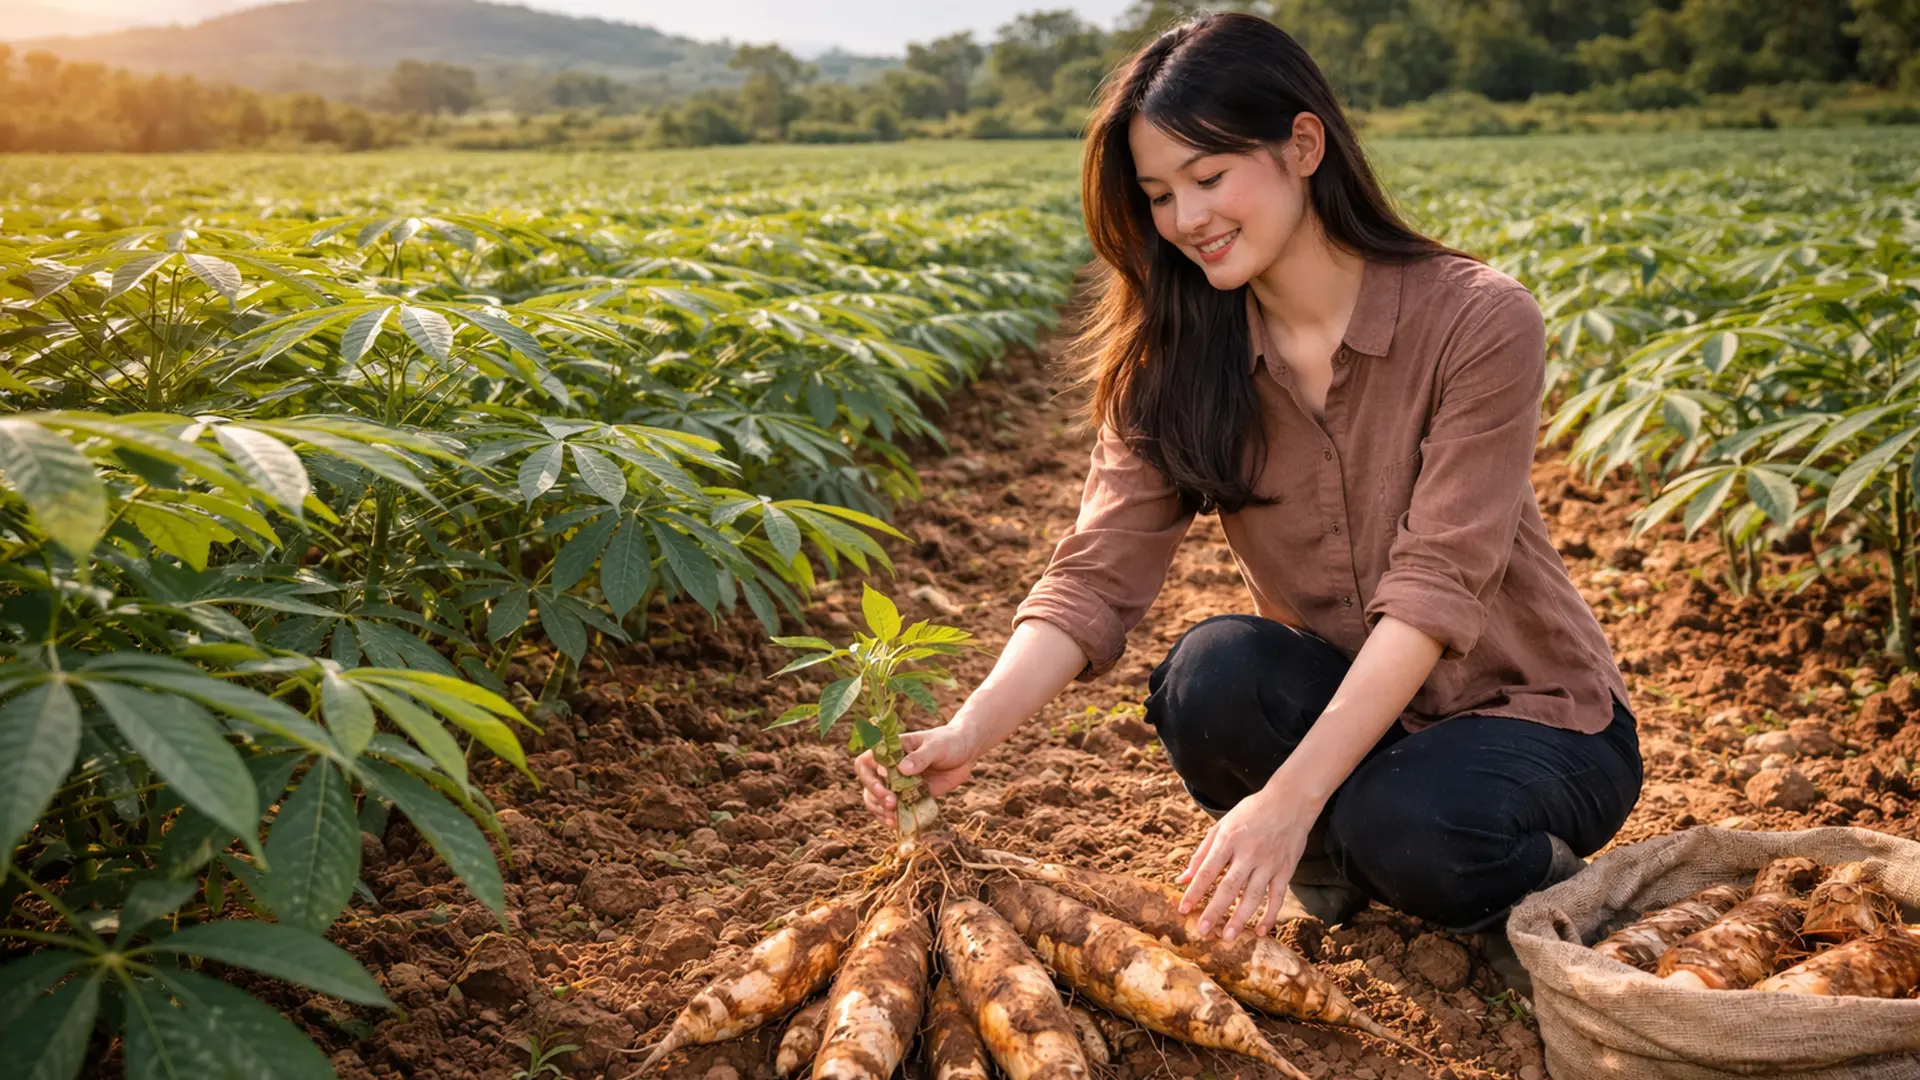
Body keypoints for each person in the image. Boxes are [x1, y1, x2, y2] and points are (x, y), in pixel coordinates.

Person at [852, 12, 1642, 992]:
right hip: (1357, 719)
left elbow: (1437, 591)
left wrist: (1288, 798)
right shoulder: (1181, 361)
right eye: (1159, 195)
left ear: (1302, 146)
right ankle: (1358, 860)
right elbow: (1095, 575)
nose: (1186, 219)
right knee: (1208, 677)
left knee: (1413, 822)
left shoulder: (1477, 319)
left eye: (1209, 177)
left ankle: (1542, 893)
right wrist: (971, 729)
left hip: (1538, 721)